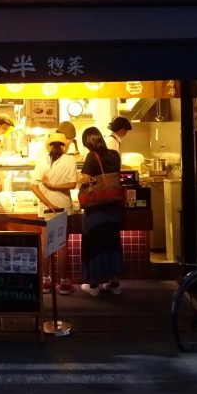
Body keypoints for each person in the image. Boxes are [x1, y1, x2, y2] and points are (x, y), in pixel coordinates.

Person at [78, 126, 123, 296]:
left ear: (88, 142)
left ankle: (94, 286)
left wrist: (78, 181)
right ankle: (115, 284)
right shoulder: (114, 155)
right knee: (112, 243)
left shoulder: (92, 156)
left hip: (96, 209)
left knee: (94, 244)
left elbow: (86, 179)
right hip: (112, 208)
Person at [31, 131, 78, 295]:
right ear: (64, 146)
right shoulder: (70, 159)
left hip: (45, 209)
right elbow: (72, 184)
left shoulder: (41, 160)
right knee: (62, 247)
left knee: (46, 246)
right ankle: (64, 283)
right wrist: (54, 189)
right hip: (63, 207)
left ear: (49, 146)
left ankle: (45, 282)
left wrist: (48, 201)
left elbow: (33, 186)